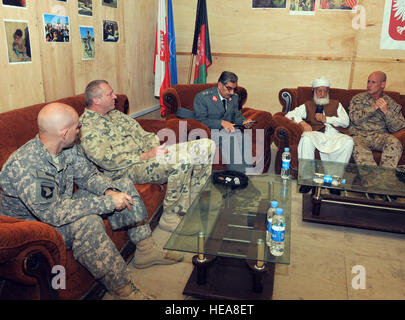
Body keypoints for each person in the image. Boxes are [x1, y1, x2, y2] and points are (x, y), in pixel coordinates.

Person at [0, 103, 184, 300]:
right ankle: (123, 289)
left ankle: (145, 249)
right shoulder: (27, 166)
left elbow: (88, 176)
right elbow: (54, 213)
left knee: (120, 184)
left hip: (61, 205)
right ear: (64, 132)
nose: (81, 130)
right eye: (78, 126)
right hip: (36, 227)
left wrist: (109, 191)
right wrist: (108, 203)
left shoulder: (68, 147)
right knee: (87, 222)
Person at [79, 80, 216, 234]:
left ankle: (196, 202)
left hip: (148, 157)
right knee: (182, 161)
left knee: (206, 145)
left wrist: (155, 150)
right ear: (96, 100)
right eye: (110, 94)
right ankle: (170, 216)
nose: (115, 96)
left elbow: (145, 135)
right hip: (124, 169)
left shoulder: (116, 114)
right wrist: (146, 156)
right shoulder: (86, 126)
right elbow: (107, 160)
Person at [285, 76, 354, 193]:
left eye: (325, 91)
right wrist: (302, 123)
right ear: (314, 91)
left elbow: (345, 121)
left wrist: (327, 119)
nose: (322, 94)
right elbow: (289, 114)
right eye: (319, 91)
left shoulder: (336, 104)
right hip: (318, 134)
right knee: (306, 137)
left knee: (349, 141)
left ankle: (334, 181)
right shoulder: (307, 105)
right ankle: (307, 180)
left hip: (335, 135)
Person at [193, 71, 259, 174]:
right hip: (209, 133)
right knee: (229, 138)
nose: (232, 92)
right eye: (229, 88)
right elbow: (200, 121)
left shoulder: (234, 98)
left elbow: (236, 116)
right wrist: (221, 123)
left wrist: (244, 121)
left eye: (234, 89)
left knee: (244, 138)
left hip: (228, 130)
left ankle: (249, 173)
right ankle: (237, 175)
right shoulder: (203, 98)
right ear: (220, 85)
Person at [348, 71, 405, 168]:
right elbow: (354, 119)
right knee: (359, 148)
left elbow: (398, 127)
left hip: (379, 136)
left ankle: (384, 178)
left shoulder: (390, 103)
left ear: (382, 84)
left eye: (373, 82)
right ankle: (372, 180)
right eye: (368, 82)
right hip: (359, 135)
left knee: (394, 143)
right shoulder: (358, 99)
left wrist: (387, 112)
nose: (369, 85)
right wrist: (373, 108)